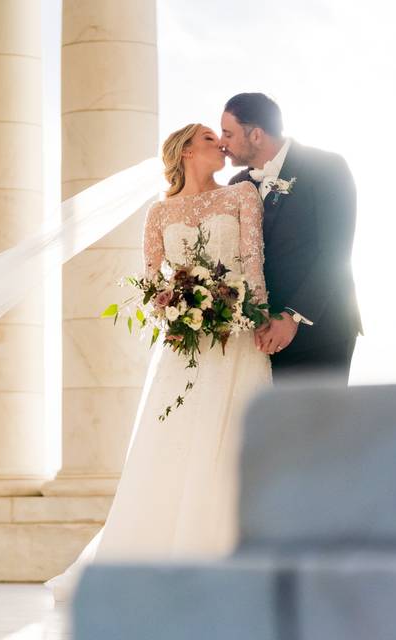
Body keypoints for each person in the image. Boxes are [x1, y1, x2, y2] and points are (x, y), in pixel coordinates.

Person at [45, 123, 272, 601]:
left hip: (237, 338)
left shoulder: (242, 196)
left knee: (234, 438)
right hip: (187, 344)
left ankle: (233, 560)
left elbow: (252, 262)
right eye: (212, 138)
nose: (223, 145)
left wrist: (254, 317)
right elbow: (152, 283)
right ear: (188, 149)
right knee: (177, 439)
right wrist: (178, 308)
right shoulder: (159, 213)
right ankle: (166, 557)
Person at [223, 93, 362, 379]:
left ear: (257, 135)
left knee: (319, 424)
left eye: (228, 133)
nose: (222, 143)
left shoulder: (327, 167)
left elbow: (336, 253)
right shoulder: (236, 186)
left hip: (321, 332)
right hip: (258, 340)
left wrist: (293, 316)